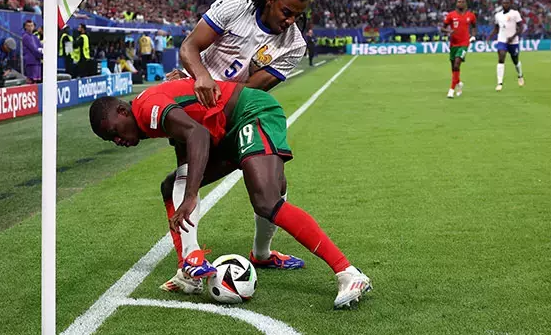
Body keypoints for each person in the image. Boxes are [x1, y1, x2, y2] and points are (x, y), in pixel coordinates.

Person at [88, 79, 372, 309]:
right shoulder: (148, 117)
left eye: (114, 132)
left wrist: (191, 195)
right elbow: (185, 149)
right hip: (224, 132)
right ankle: (191, 269)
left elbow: (197, 135)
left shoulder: (147, 108)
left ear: (122, 112)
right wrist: (187, 190)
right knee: (173, 186)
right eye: (109, 140)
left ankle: (348, 273)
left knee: (266, 200)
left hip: (250, 113)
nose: (117, 141)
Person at [161, 0, 312, 294]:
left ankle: (262, 254)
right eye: (287, 12)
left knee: (276, 185)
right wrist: (198, 77)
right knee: (187, 172)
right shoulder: (235, 6)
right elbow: (189, 48)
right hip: (194, 101)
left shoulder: (294, 45)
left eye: (298, 16)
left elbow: (250, 90)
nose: (290, 21)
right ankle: (190, 261)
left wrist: (211, 87)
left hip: (237, 109)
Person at [442, 0, 477, 99]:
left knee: (457, 64)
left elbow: (474, 26)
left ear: (466, 4)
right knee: (454, 67)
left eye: (462, 2)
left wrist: (473, 36)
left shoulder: (471, 15)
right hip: (453, 44)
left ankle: (451, 90)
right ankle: (459, 83)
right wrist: (449, 31)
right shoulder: (451, 15)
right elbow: (442, 28)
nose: (460, 3)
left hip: (464, 43)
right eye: (458, 2)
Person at [489, 0, 524, 91]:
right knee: (501, 58)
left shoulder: (515, 13)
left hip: (513, 41)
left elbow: (521, 27)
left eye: (507, 3)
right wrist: (490, 36)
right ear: (502, 4)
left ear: (510, 4)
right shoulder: (498, 15)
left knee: (515, 60)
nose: (505, 4)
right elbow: (497, 28)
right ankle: (499, 83)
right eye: (504, 3)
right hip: (502, 40)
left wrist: (513, 37)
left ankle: (520, 75)